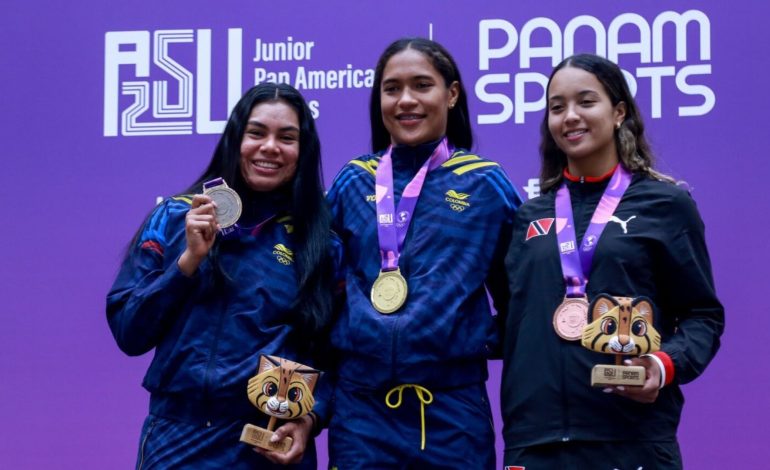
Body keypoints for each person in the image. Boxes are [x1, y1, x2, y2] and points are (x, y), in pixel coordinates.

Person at [501, 53, 724, 469]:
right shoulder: (529, 215)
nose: (570, 117)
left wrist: (662, 365)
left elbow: (702, 315)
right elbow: (510, 321)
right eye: (556, 107)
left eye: (586, 102)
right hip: (535, 443)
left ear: (619, 112)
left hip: (631, 439)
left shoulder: (665, 204)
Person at [107, 83, 335, 469]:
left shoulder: (321, 242)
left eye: (287, 137)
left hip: (269, 441)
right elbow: (130, 331)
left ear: (303, 151)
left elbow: (339, 352)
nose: (270, 147)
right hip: (178, 438)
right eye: (257, 132)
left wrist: (310, 419)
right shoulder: (176, 217)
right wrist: (187, 262)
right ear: (235, 140)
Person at [325, 37, 522, 469]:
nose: (406, 100)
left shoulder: (485, 184)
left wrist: (472, 337)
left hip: (452, 413)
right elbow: (318, 292)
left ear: (451, 94)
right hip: (361, 413)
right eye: (392, 88)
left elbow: (521, 297)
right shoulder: (353, 180)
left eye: (422, 85)